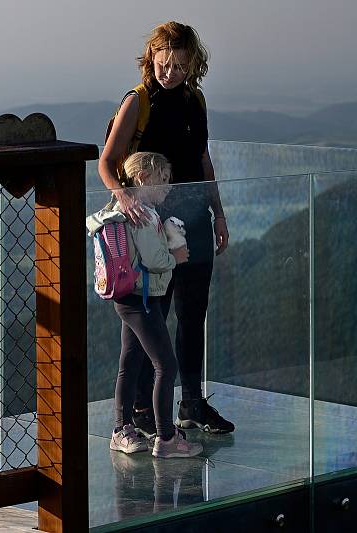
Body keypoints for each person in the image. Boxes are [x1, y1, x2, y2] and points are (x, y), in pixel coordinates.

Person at [98, 21, 234, 437]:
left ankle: (191, 403)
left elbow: (203, 160)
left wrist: (219, 212)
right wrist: (124, 196)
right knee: (150, 315)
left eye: (178, 65)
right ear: (150, 60)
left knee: (194, 315)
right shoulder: (138, 101)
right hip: (149, 225)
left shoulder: (196, 101)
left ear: (192, 64)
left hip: (194, 220)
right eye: (163, 64)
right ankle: (139, 410)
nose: (169, 72)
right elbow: (108, 160)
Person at [87, 151, 202, 459]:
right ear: (142, 178)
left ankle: (120, 430)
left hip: (126, 298)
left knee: (130, 362)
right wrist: (176, 258)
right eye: (162, 179)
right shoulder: (144, 214)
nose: (168, 186)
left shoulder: (121, 208)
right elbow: (154, 260)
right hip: (143, 300)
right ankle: (166, 438)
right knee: (166, 365)